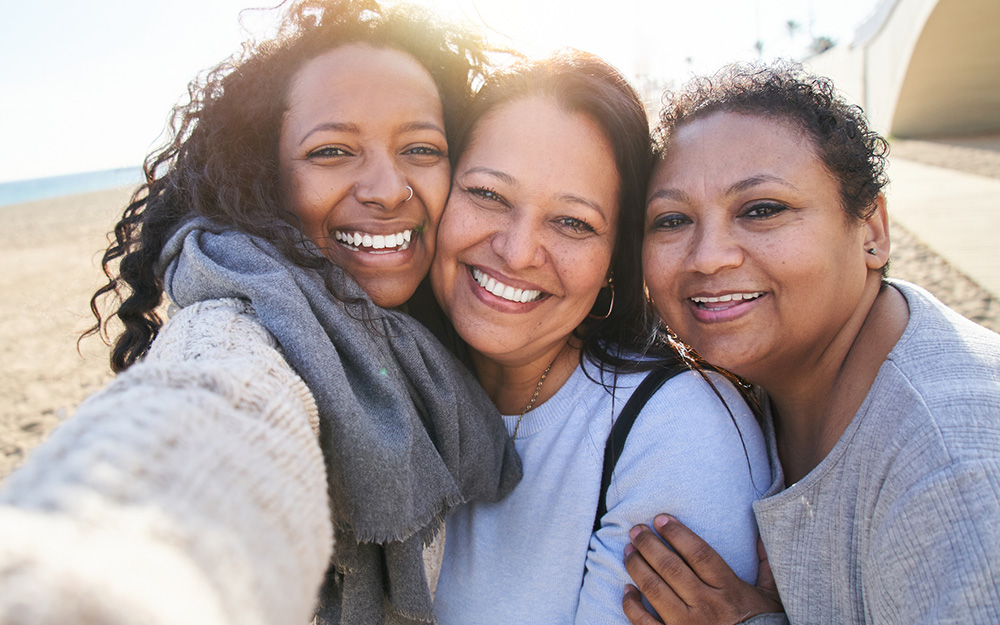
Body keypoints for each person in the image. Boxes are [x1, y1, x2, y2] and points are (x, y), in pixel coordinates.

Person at [0, 1, 522, 624]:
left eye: (421, 149)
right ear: (265, 175)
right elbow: (214, 407)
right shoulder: (237, 316)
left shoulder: (457, 326)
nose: (386, 188)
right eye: (332, 152)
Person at [625, 61, 1000, 624]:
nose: (707, 257)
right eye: (672, 220)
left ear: (871, 232)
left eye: (762, 210)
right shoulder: (767, 385)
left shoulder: (953, 477)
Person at [426, 50, 771, 624]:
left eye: (573, 222)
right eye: (487, 194)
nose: (516, 251)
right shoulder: (392, 379)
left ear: (616, 257)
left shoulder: (675, 428)